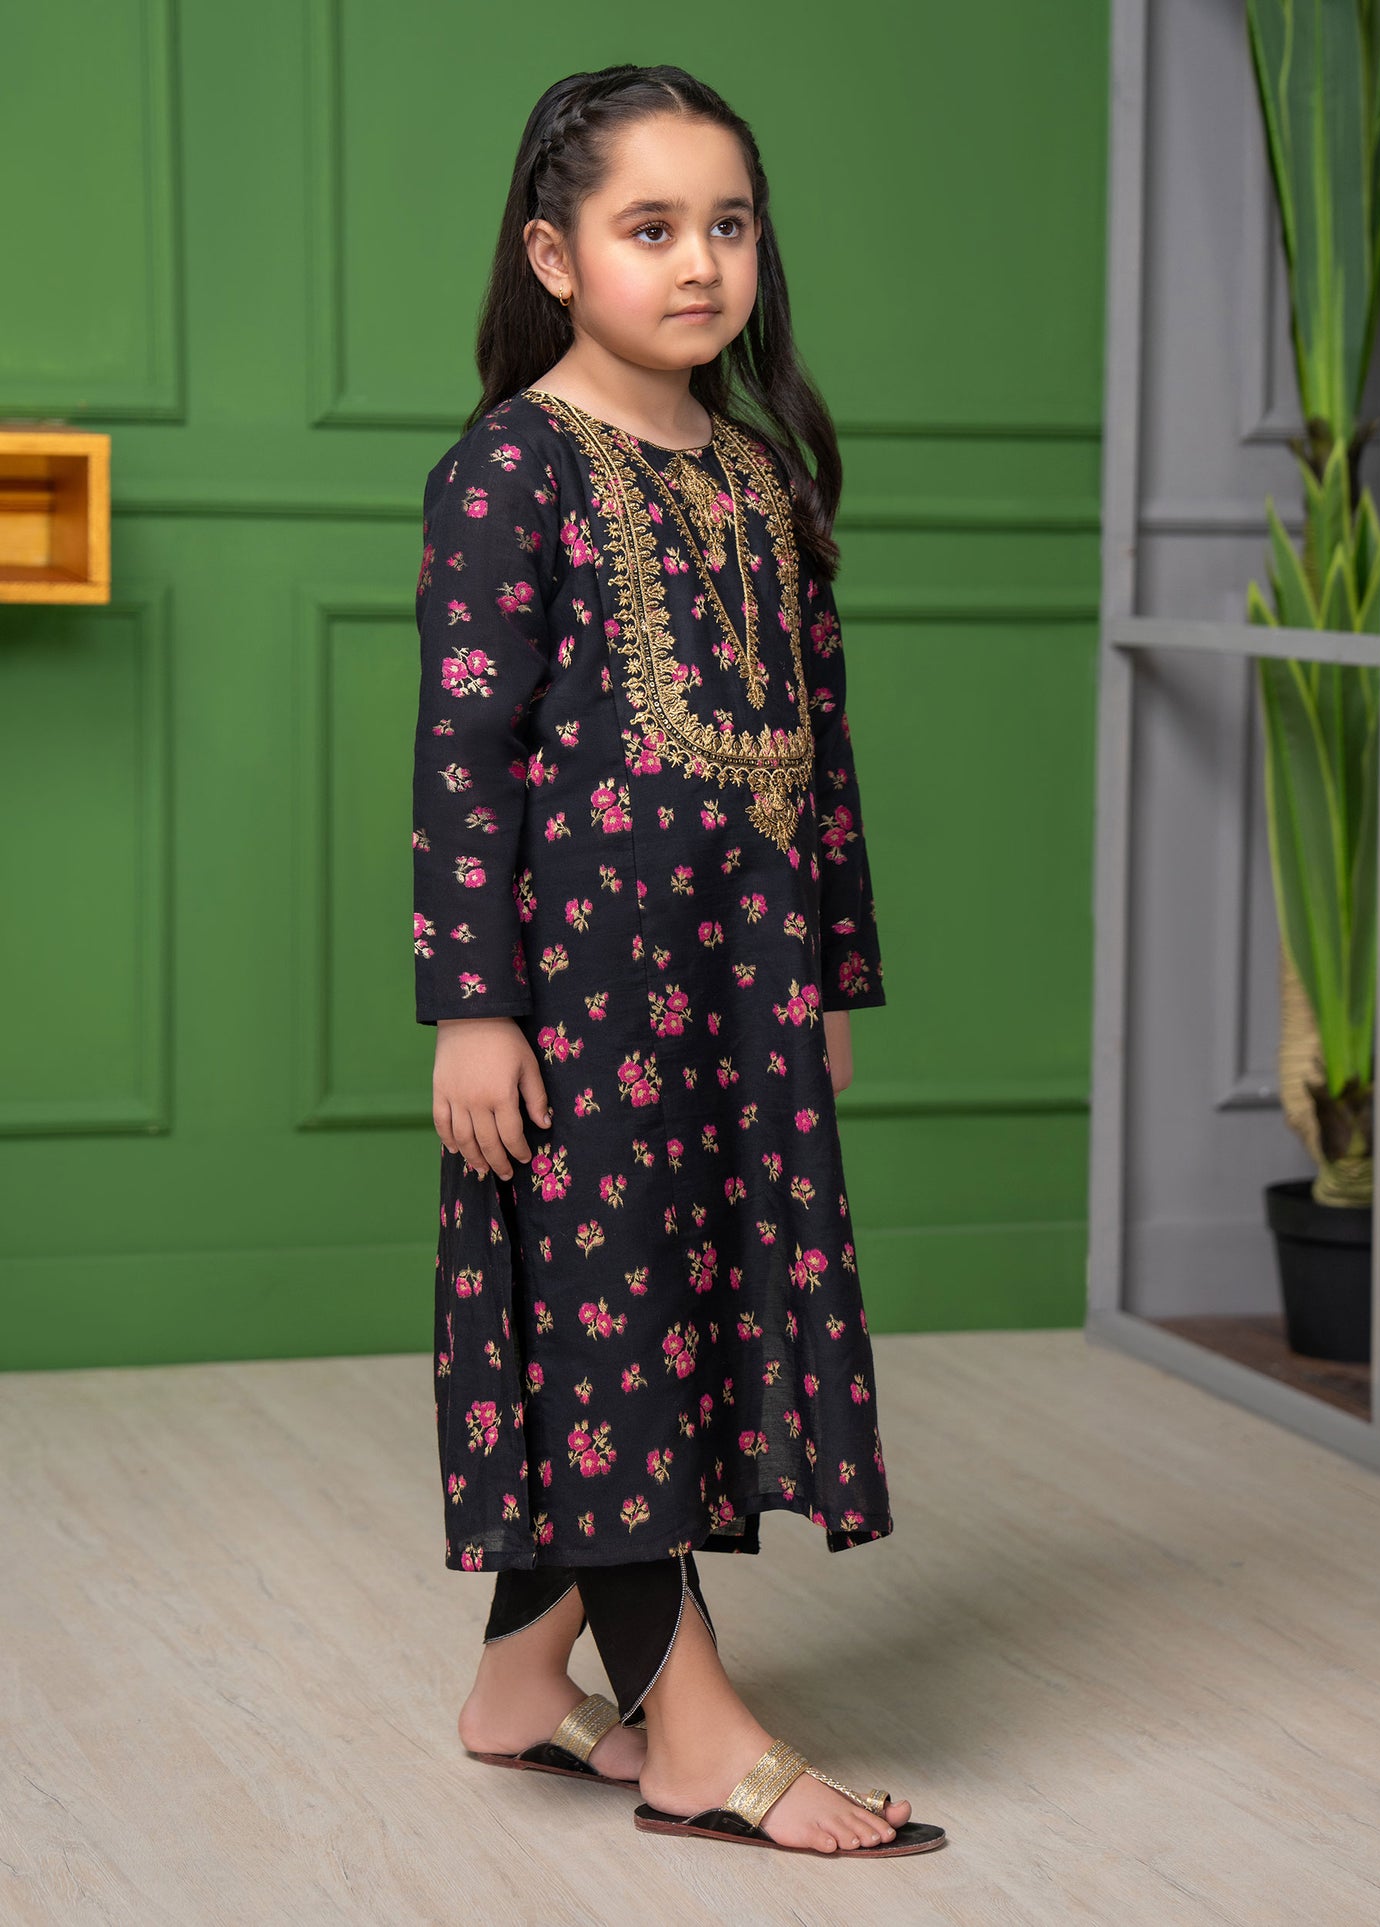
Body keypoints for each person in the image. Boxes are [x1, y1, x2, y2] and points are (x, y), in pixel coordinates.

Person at [411, 62, 945, 1860]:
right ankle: (694, 1735)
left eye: (728, 224)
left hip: (738, 986)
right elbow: (463, 758)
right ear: (554, 257)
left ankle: (516, 1688)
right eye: (651, 228)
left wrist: (831, 977)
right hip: (578, 1001)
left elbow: (820, 754)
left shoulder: (757, 475)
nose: (700, 261)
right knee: (606, 1332)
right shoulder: (512, 466)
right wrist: (472, 1007)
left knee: (673, 1322)